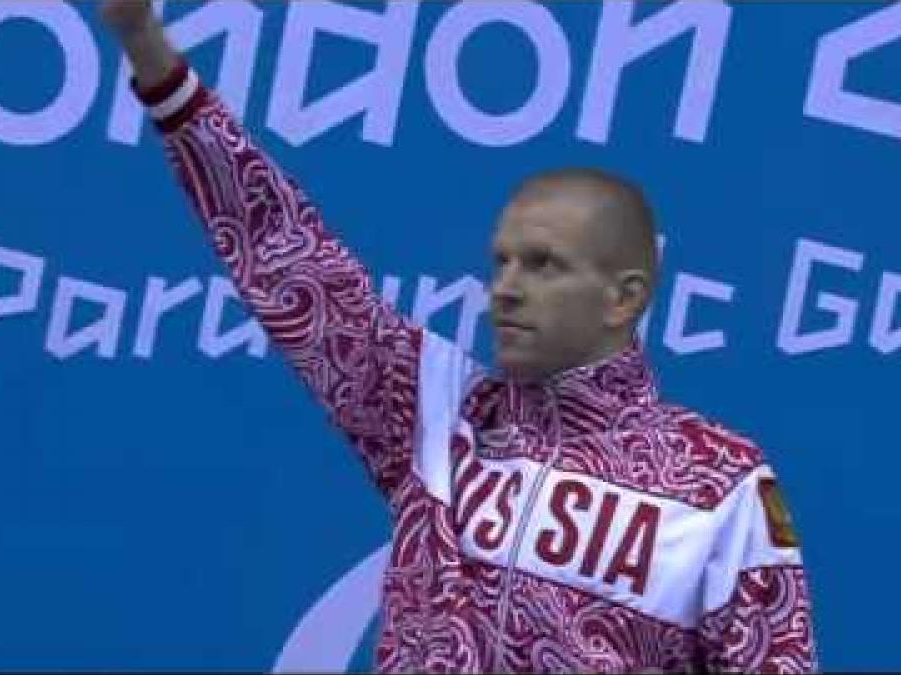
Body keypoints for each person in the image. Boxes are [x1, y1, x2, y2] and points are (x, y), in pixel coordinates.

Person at [101, 1, 817, 672]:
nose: (504, 286)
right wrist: (155, 60)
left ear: (623, 296)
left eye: (542, 265)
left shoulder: (720, 486)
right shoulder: (432, 408)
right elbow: (287, 250)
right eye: (501, 261)